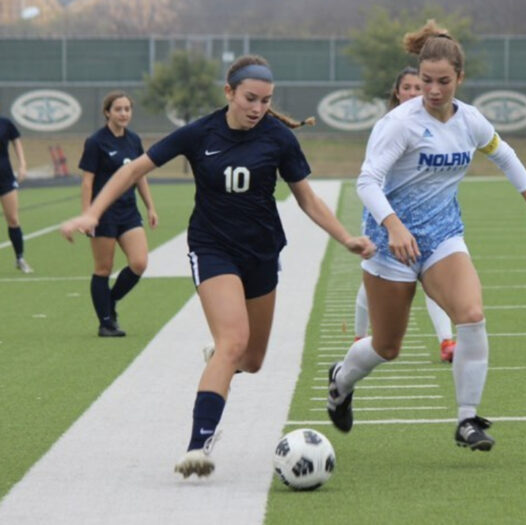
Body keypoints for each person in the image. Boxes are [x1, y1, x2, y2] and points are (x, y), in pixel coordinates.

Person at [61, 54, 375, 478]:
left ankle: (223, 358)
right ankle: (198, 446)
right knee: (232, 342)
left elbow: (307, 197)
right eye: (250, 98)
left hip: (262, 252)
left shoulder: (279, 138)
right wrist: (93, 213)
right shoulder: (199, 132)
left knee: (253, 358)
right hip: (212, 249)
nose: (257, 108)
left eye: (266, 100)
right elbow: (133, 170)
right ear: (229, 93)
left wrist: (346, 237)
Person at [327, 20, 526, 451]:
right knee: (385, 347)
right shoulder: (400, 124)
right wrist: (393, 226)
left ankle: (467, 419)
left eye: (443, 82)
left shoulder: (470, 120)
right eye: (426, 82)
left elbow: (506, 156)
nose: (433, 91)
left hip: (442, 237)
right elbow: (367, 182)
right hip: (391, 245)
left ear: (460, 79)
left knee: (471, 315)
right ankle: (340, 383)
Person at [353, 66, 457, 362]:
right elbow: (370, 177)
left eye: (417, 86)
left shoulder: (437, 123)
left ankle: (447, 342)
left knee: (431, 277)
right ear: (397, 92)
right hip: (384, 215)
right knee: (372, 280)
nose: (414, 92)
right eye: (408, 87)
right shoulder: (391, 125)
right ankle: (360, 339)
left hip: (427, 218)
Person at [78, 91, 158, 337]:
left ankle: (109, 301)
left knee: (139, 263)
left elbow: (139, 175)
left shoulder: (133, 140)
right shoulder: (96, 142)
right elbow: (87, 182)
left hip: (128, 212)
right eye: (118, 109)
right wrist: (87, 215)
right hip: (103, 215)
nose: (124, 113)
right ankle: (106, 323)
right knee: (104, 268)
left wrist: (150, 206)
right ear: (107, 112)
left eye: (127, 109)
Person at [0, 109, 33, 273]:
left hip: (5, 177)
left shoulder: (5, 123)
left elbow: (16, 141)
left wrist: (23, 164)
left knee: (12, 219)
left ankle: (20, 258)